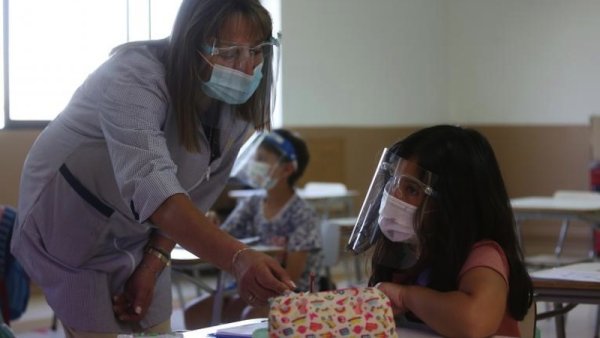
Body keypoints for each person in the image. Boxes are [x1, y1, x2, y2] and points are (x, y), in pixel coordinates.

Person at [10, 0, 296, 336]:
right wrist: (237, 257)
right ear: (192, 44)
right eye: (230, 53)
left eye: (258, 51)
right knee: (95, 328)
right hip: (69, 220)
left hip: (140, 231)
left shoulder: (233, 107)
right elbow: (152, 183)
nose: (247, 68)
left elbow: (196, 195)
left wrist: (154, 259)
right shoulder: (134, 75)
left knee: (158, 327)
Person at [347, 125, 533, 338]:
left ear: (453, 202)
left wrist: (406, 297)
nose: (394, 198)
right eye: (393, 184)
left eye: (411, 190)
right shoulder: (411, 253)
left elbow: (474, 321)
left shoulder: (483, 255)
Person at [184, 129, 324, 329]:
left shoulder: (302, 214)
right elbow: (224, 237)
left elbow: (291, 278)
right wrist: (213, 225)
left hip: (295, 295)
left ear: (287, 169)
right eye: (254, 157)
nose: (254, 164)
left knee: (250, 316)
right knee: (195, 312)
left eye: (262, 159)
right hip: (252, 287)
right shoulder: (252, 203)